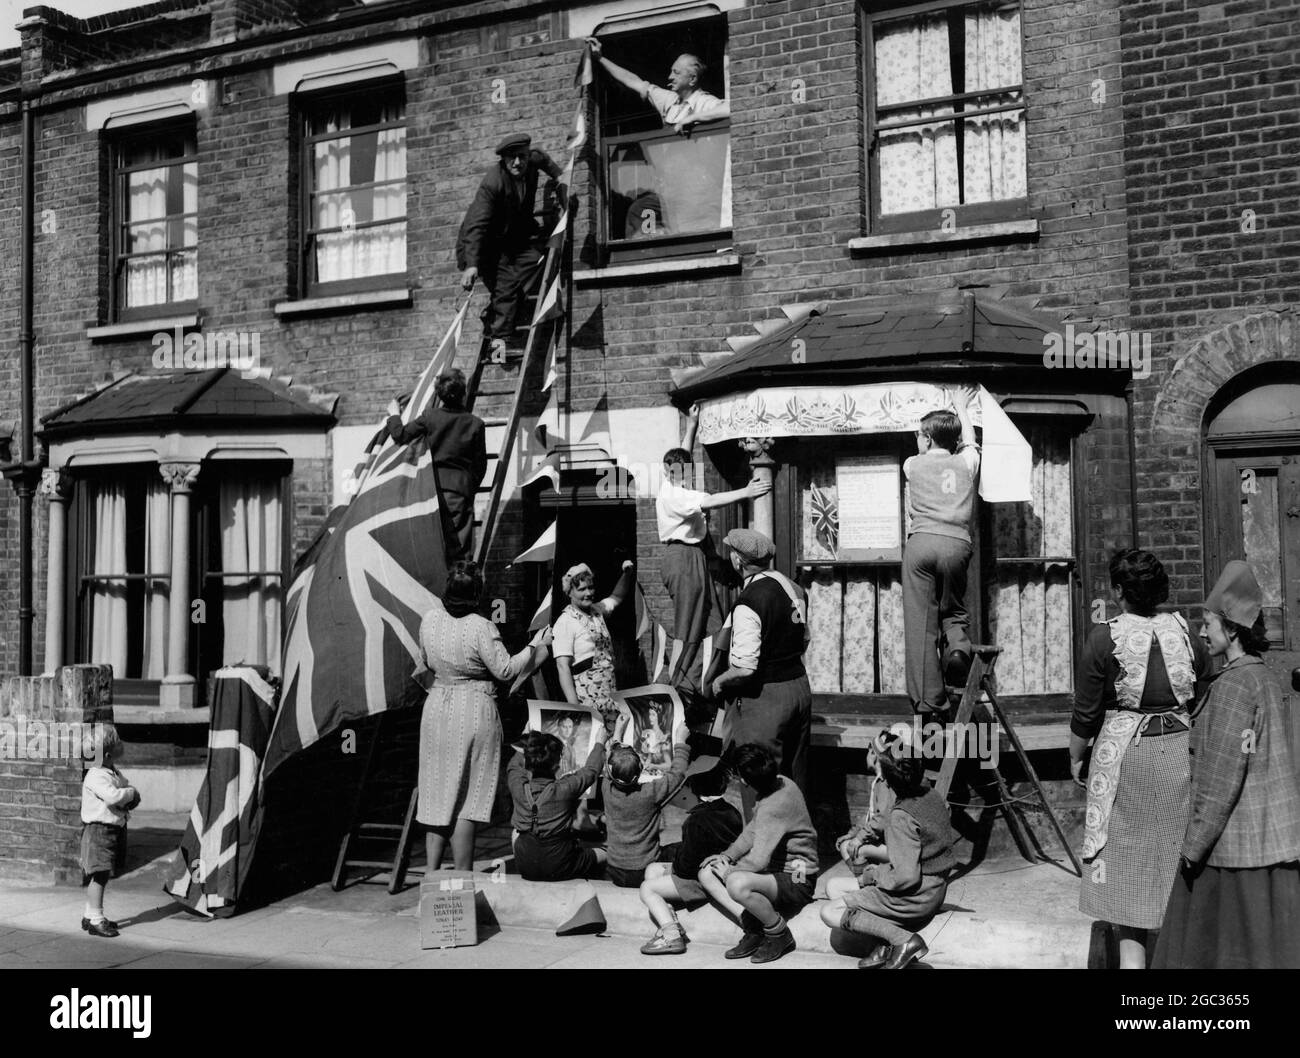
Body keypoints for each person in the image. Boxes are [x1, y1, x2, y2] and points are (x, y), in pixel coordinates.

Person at [1153, 560, 1300, 969]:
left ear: (1231, 630)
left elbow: (1220, 778)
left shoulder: (1233, 685)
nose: (1201, 632)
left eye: (1208, 624)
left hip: (1235, 850)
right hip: (1274, 842)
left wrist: (1193, 846)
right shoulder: (1264, 677)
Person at [1068, 548, 1209, 969]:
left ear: (1118, 592)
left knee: (1128, 866)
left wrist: (1076, 758)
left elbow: (1086, 712)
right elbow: (1201, 695)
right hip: (1180, 757)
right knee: (1170, 861)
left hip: (1127, 758)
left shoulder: (1103, 637)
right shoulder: (1186, 631)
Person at [417, 561, 547, 872]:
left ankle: (431, 880)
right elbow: (505, 670)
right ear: (477, 593)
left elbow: (425, 660)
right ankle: (461, 881)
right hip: (473, 710)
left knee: (436, 796)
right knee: (467, 799)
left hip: (436, 707)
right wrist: (535, 644)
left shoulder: (429, 620)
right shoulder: (481, 626)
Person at [821, 729, 959, 970]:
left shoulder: (900, 816)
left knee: (829, 911)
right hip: (935, 888)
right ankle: (884, 944)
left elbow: (905, 876)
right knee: (834, 887)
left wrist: (872, 876)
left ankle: (903, 941)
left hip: (915, 897)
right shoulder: (931, 794)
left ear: (890, 781)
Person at [658, 403, 770, 695]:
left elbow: (684, 452)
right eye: (676, 471)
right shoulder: (675, 494)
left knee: (711, 623)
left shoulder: (676, 482)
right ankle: (677, 688)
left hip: (693, 556)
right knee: (688, 625)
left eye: (684, 469)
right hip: (681, 556)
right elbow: (708, 501)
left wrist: (692, 424)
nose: (681, 474)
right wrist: (745, 492)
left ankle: (698, 683)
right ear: (668, 472)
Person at [709, 528, 811, 816]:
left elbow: (744, 666)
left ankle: (764, 852)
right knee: (794, 776)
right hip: (799, 687)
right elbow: (805, 639)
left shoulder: (749, 600)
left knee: (759, 778)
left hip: (765, 698)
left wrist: (719, 681)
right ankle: (795, 848)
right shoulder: (794, 588)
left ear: (738, 561)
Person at [698, 743, 819, 965]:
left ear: (744, 781)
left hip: (798, 877)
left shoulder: (775, 804)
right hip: (776, 873)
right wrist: (727, 856)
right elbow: (754, 829)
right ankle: (754, 928)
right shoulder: (780, 782)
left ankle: (778, 933)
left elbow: (758, 861)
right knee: (707, 872)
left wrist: (729, 872)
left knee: (736, 883)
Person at [901, 386, 981, 718]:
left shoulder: (910, 465)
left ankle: (930, 702)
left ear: (929, 439)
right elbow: (971, 443)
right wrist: (962, 407)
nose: (917, 440)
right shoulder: (967, 462)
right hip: (956, 543)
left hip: (921, 543)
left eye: (920, 435)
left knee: (920, 623)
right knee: (954, 608)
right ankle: (959, 648)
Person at [455, 133, 565, 356]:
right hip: (484, 246)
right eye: (512, 158)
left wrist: (562, 181)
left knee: (538, 257)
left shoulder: (533, 160)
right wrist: (472, 265)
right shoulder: (492, 184)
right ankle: (498, 349)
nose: (518, 163)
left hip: (512, 239)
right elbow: (476, 227)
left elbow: (545, 162)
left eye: (522, 157)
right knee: (505, 292)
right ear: (503, 160)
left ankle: (496, 310)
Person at [638, 763, 744, 955]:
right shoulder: (732, 812)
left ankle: (671, 935)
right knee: (652, 869)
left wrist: (675, 855)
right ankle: (671, 920)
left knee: (647, 888)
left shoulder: (695, 820)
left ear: (696, 791)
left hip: (696, 879)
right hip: (718, 872)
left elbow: (686, 867)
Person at [386, 369, 487, 563]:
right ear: (463, 394)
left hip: (430, 490)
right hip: (459, 491)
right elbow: (480, 464)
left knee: (433, 545)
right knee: (460, 551)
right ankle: (459, 589)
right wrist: (469, 486)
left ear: (439, 395)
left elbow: (400, 435)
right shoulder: (476, 424)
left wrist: (394, 415)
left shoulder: (430, 417)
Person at [507, 730, 610, 881]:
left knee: (516, 834)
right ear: (556, 766)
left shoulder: (517, 785)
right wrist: (600, 743)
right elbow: (591, 771)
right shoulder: (564, 789)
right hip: (561, 865)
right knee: (607, 851)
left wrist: (525, 742)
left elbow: (513, 766)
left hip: (526, 866)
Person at [603, 716, 691, 889]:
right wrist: (680, 741)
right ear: (641, 771)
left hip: (615, 869)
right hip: (646, 869)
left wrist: (618, 732)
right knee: (684, 848)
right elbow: (677, 774)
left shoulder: (607, 788)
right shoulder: (650, 793)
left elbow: (608, 762)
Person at [553, 560, 636, 727]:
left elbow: (616, 596)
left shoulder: (597, 611)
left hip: (609, 694)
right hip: (586, 699)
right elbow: (563, 667)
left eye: (590, 587)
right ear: (570, 592)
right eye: (582, 589)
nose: (588, 593)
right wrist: (576, 708)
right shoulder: (565, 622)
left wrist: (627, 574)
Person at [586, 39, 729, 134]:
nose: (670, 77)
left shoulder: (704, 101)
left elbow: (731, 108)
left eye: (676, 73)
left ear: (692, 79)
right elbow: (633, 81)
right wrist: (599, 58)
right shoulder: (669, 100)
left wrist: (692, 118)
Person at [80, 723, 140, 938]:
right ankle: (96, 920)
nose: (122, 744)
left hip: (110, 830)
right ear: (107, 754)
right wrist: (130, 793)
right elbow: (114, 796)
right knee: (100, 875)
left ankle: (90, 915)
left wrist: (127, 789)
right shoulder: (96, 775)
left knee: (102, 875)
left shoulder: (110, 770)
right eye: (118, 743)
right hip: (98, 833)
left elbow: (121, 784)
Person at [834, 730, 896, 877]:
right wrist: (853, 833)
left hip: (898, 848)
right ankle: (868, 883)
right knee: (846, 845)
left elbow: (882, 819)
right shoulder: (880, 781)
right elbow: (871, 816)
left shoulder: (886, 783)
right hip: (887, 844)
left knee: (856, 848)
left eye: (868, 751)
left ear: (874, 754)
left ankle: (869, 885)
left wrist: (858, 839)